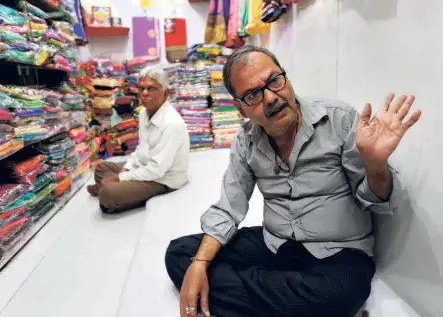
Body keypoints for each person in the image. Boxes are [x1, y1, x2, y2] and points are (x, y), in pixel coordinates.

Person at [165, 46, 422, 317]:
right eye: (253, 95)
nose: (271, 98)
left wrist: (375, 165)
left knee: (339, 295)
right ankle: (282, 299)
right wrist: (200, 262)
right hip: (274, 245)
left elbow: (377, 202)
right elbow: (229, 208)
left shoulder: (339, 120)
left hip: (338, 253)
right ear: (240, 109)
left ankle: (255, 293)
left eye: (274, 80)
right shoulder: (246, 140)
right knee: (181, 254)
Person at [87, 65, 190, 213]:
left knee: (108, 194)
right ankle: (121, 190)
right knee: (102, 168)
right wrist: (126, 168)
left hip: (163, 179)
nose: (145, 93)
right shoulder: (144, 113)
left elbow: (157, 170)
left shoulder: (172, 124)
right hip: (145, 167)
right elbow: (141, 149)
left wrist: (119, 178)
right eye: (141, 89)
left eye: (151, 89)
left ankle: (116, 192)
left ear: (166, 93)